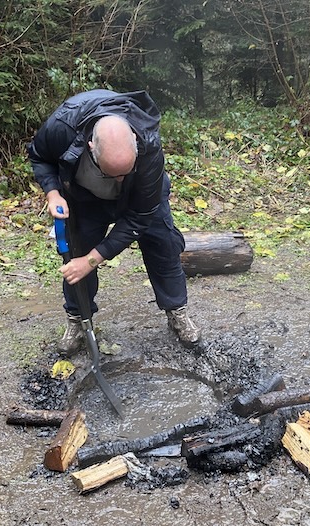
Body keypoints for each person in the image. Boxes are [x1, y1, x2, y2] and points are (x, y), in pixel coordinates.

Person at [27, 89, 200, 355]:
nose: (119, 179)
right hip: (85, 199)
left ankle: (177, 311)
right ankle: (78, 319)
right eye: (111, 173)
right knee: (76, 259)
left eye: (125, 172)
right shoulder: (63, 128)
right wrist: (52, 193)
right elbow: (40, 156)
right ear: (91, 147)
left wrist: (93, 260)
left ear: (135, 141)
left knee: (163, 247)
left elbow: (139, 218)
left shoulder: (149, 144)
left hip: (140, 199)